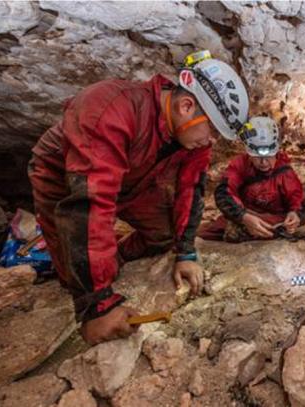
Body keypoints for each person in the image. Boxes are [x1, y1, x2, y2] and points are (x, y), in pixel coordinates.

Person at [28, 50, 249, 344]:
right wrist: (99, 306)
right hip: (66, 178)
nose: (211, 141)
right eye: (213, 132)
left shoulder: (191, 141)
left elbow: (190, 190)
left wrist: (185, 252)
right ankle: (91, 284)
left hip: (134, 177)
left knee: (164, 235)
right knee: (74, 267)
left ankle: (112, 259)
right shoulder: (110, 107)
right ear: (186, 106)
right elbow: (90, 205)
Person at [199, 116, 304, 242]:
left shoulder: (284, 171)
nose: (264, 163)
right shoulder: (239, 165)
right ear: (249, 153)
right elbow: (224, 193)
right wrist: (243, 216)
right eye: (257, 157)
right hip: (244, 214)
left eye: (269, 156)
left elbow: (297, 198)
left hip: (274, 220)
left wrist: (295, 213)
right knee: (205, 233)